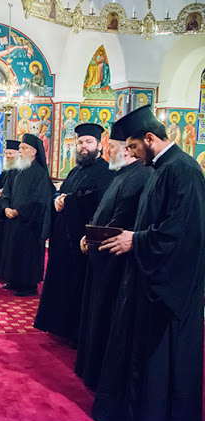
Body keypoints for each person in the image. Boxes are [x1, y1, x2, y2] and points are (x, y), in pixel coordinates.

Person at [92, 105, 205, 421]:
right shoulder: (161, 169)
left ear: (150, 139)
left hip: (170, 292)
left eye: (132, 146)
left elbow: (184, 233)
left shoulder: (183, 170)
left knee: (162, 364)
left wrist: (136, 240)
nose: (130, 153)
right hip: (148, 278)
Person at [74, 121, 152, 390]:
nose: (108, 151)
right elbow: (103, 213)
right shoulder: (120, 174)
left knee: (106, 318)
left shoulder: (139, 177)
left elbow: (121, 219)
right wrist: (89, 234)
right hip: (101, 254)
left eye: (113, 147)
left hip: (114, 261)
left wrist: (94, 238)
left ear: (127, 151)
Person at [34, 123, 115, 346]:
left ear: (100, 145)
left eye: (88, 142)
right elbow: (61, 192)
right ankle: (58, 325)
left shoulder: (106, 171)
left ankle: (74, 332)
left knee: (78, 285)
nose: (83, 146)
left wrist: (68, 201)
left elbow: (98, 202)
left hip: (82, 239)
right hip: (63, 238)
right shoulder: (75, 170)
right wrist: (57, 200)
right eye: (80, 142)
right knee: (62, 280)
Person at [0, 134, 54, 296]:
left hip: (29, 224)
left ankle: (28, 286)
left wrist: (19, 211)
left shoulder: (40, 173)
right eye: (20, 148)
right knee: (13, 251)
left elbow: (39, 199)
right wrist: (6, 207)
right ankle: (14, 280)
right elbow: (6, 191)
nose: (20, 151)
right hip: (12, 220)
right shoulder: (16, 170)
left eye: (24, 148)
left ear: (34, 152)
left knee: (27, 253)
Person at [0, 139, 20, 283]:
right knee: (2, 245)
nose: (8, 156)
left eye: (11, 153)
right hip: (4, 213)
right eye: (6, 153)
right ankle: (1, 272)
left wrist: (4, 193)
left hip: (15, 214)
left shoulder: (21, 171)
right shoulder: (5, 172)